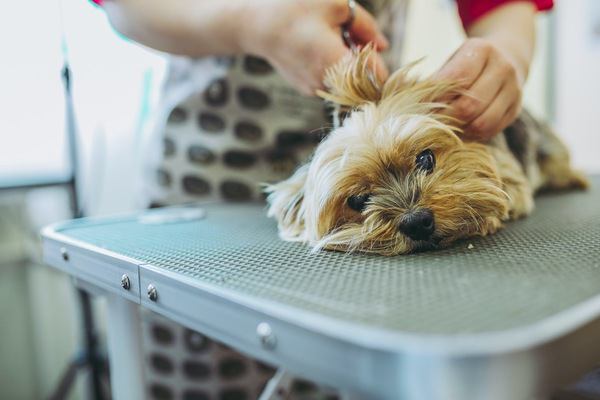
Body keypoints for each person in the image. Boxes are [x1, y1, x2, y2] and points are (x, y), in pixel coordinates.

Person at [88, 1, 553, 398]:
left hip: (374, 152)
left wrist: (505, 57)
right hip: (211, 178)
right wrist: (253, 21)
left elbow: (501, 9)